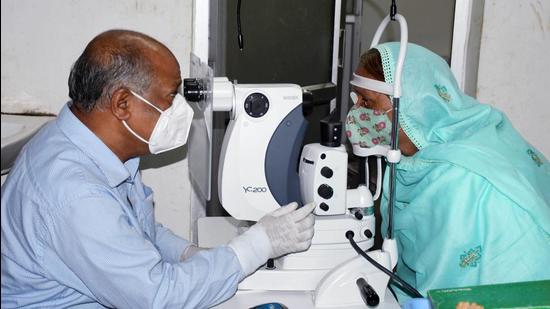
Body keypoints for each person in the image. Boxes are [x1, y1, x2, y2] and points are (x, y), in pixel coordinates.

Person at [0, 29, 315, 308]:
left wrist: (189, 254)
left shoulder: (90, 145)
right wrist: (256, 246)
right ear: (123, 103)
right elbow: (159, 298)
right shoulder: (76, 194)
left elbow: (135, 230)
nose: (180, 109)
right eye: (170, 97)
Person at [345, 42, 550, 301]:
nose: (357, 113)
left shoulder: (459, 178)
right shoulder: (409, 162)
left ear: (409, 102)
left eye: (367, 101)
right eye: (357, 99)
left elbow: (454, 291)